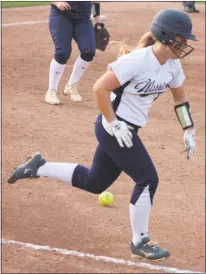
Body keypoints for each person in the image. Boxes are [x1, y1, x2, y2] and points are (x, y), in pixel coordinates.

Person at [8, 9, 196, 261]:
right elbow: (99, 88)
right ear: (165, 35)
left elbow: (180, 100)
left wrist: (188, 130)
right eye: (181, 39)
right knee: (147, 178)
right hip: (113, 128)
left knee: (95, 182)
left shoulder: (172, 66)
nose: (184, 45)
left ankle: (39, 167)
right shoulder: (138, 61)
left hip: (128, 129)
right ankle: (139, 241)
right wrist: (113, 123)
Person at [45, 1, 101, 105]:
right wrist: (57, 2)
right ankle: (51, 91)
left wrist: (97, 22)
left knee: (89, 51)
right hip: (61, 15)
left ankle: (71, 85)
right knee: (62, 52)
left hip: (83, 18)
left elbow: (95, 2)